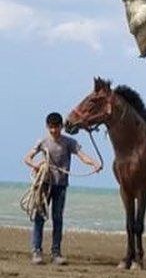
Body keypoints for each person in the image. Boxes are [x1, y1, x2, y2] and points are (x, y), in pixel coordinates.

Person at [23, 111, 100, 265]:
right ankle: (37, 251)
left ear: (61, 127)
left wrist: (94, 163)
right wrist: (36, 165)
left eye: (56, 127)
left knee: (58, 219)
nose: (54, 130)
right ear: (47, 127)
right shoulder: (43, 142)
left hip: (61, 185)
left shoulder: (69, 142)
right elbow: (27, 158)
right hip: (44, 184)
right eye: (51, 127)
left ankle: (56, 253)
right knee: (39, 218)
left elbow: (82, 155)